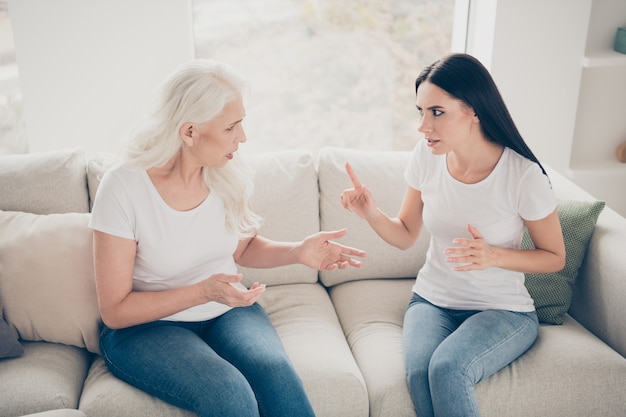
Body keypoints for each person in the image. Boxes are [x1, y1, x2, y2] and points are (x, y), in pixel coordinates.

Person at [89, 59, 366, 417]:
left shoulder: (225, 172)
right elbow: (114, 310)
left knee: (277, 377)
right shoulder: (124, 186)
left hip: (226, 310)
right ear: (189, 132)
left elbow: (245, 247)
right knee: (229, 394)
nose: (243, 137)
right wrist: (201, 292)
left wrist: (299, 251)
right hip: (145, 329)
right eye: (231, 127)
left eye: (241, 124)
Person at [340, 53, 565, 417]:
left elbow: (555, 256)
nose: (422, 126)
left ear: (473, 110)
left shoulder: (523, 176)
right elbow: (405, 234)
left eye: (437, 112)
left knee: (446, 368)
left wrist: (495, 256)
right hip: (431, 302)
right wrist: (369, 212)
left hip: (503, 311)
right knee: (419, 373)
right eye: (421, 112)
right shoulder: (426, 157)